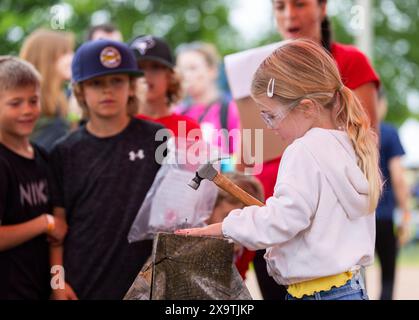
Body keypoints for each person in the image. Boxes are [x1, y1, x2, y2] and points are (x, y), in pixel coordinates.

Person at [177, 39, 382, 301]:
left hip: (317, 295)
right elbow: (305, 225)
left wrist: (224, 226)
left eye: (270, 116)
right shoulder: (351, 144)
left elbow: (281, 221)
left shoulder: (303, 151)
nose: (268, 127)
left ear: (306, 107)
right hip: (349, 288)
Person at [252, 0, 381, 300]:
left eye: (298, 4)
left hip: (322, 229)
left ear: (323, 8)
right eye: (280, 6)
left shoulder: (349, 60)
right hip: (272, 216)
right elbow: (253, 144)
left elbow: (363, 134)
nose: (289, 14)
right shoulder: (263, 70)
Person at [48, 39, 166, 300]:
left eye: (117, 81)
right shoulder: (64, 151)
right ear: (79, 91)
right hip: (83, 286)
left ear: (132, 87)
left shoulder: (159, 138)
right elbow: (56, 228)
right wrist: (57, 282)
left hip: (149, 286)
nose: (108, 91)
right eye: (96, 83)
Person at [0, 56, 67, 299]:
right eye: (15, 103)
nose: (27, 110)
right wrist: (43, 223)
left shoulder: (44, 158)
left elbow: (57, 236)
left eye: (33, 100)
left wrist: (58, 283)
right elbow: (52, 225)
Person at [175, 42, 240, 161]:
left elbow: (243, 158)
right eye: (181, 70)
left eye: (192, 68)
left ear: (212, 71)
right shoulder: (178, 113)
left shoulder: (230, 110)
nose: (186, 76)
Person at [128, 35, 201, 141]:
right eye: (138, 68)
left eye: (155, 67)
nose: (146, 74)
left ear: (170, 76)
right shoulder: (121, 125)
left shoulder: (187, 128)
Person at [376, 87, 411, 300]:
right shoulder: (388, 132)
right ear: (381, 103)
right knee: (388, 276)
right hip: (385, 214)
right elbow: (398, 177)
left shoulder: (352, 132)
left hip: (359, 216)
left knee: (354, 275)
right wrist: (405, 215)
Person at [19, 29, 75, 152]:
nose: (72, 57)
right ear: (47, 58)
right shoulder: (27, 106)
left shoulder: (62, 100)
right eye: (66, 52)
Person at [206, 172, 265, 280]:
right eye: (227, 217)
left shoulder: (247, 248)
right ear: (210, 210)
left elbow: (239, 281)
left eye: (246, 223)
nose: (236, 230)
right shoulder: (197, 245)